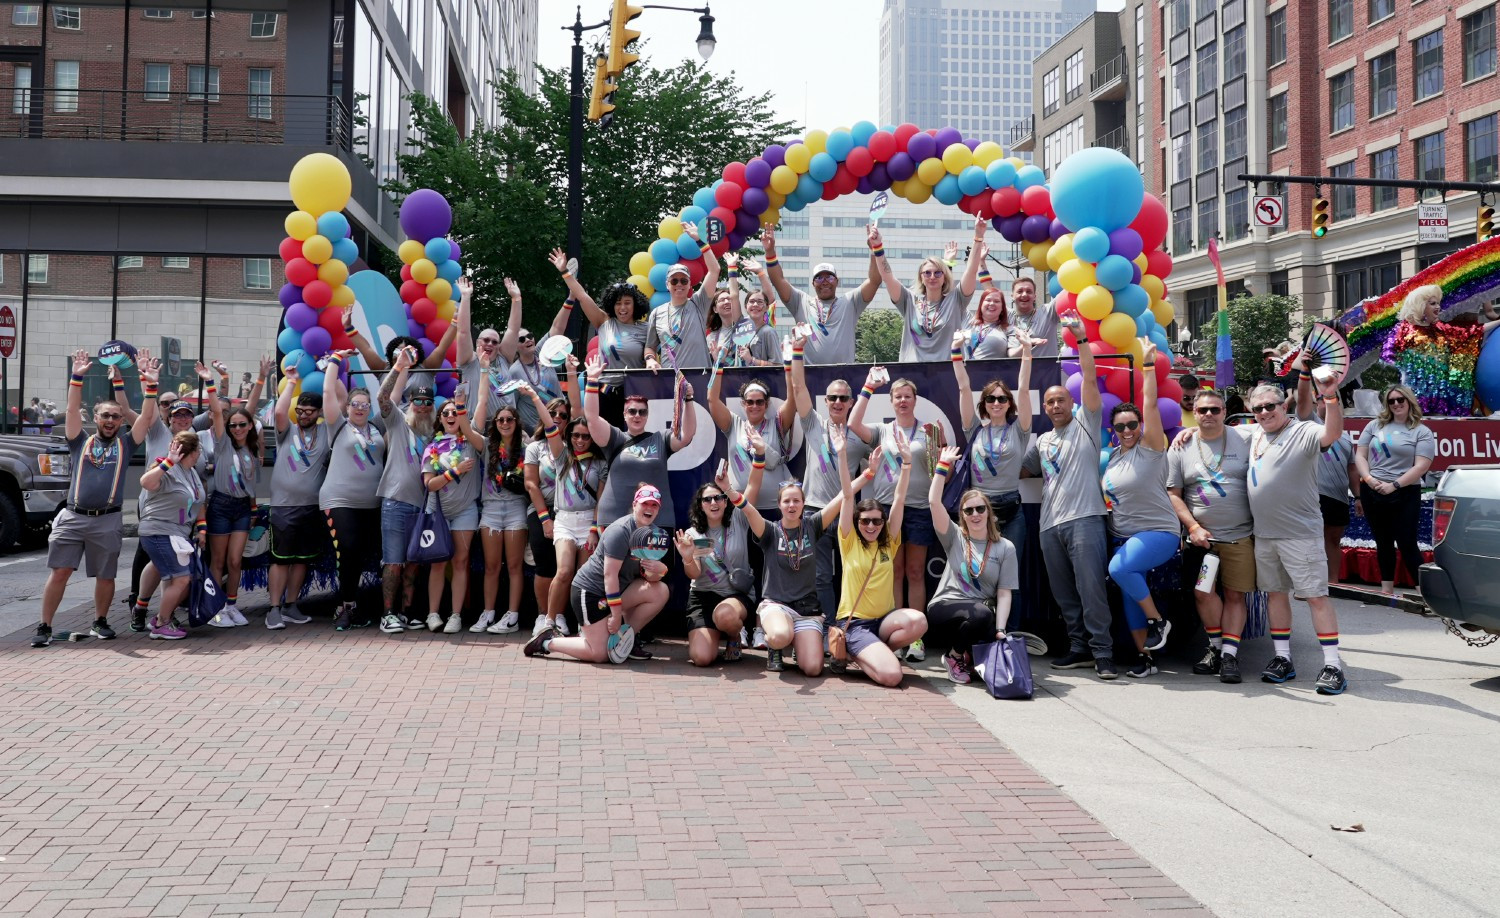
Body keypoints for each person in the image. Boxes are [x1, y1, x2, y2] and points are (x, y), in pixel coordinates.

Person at [1237, 368, 1350, 695]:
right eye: (1257, 409)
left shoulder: (1303, 431)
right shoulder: (1253, 433)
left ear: (1282, 406)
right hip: (1266, 535)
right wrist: (1189, 434)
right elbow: (1217, 431)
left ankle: (1333, 665)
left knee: (1315, 597)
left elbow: (1332, 433)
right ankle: (1283, 659)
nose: (1264, 413)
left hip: (1300, 534)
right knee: (1275, 595)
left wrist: (1330, 395)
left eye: (1270, 406)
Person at [33, 349, 156, 648]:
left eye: (116, 416)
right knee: (60, 572)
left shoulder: (126, 444)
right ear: (97, 418)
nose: (111, 420)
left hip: (108, 519)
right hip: (73, 517)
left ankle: (100, 621)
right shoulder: (80, 441)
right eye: (105, 416)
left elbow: (147, 418)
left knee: (105, 575)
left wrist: (150, 385)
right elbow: (72, 411)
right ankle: (45, 626)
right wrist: (77, 377)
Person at [1020, 323, 1116, 678]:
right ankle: (1079, 647)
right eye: (1050, 402)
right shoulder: (1043, 441)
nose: (1056, 405)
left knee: (1091, 590)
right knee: (1063, 594)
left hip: (1086, 519)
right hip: (1049, 526)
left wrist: (1083, 340)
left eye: (1061, 399)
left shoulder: (1086, 424)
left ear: (1072, 403)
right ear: (1044, 408)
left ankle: (1103, 651)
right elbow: (1024, 470)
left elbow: (1090, 379)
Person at [1099, 339, 1179, 677]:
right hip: (1124, 535)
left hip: (1157, 532)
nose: (1128, 430)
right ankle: (1145, 657)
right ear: (1113, 431)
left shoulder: (1151, 447)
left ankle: (1160, 622)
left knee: (1120, 570)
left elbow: (1150, 405)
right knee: (1131, 598)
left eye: (1133, 425)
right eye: (1121, 426)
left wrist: (1147, 367)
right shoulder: (1114, 457)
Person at [1167, 387, 1257, 684]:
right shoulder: (1181, 446)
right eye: (1202, 410)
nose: (1208, 415)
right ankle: (1215, 648)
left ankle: (1229, 654)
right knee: (1203, 594)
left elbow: (1278, 420)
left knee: (1234, 596)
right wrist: (1193, 527)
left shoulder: (1246, 438)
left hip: (1240, 538)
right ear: (1194, 412)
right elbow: (1173, 494)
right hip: (1203, 541)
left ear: (1224, 413)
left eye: (1215, 410)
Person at [848, 368, 938, 660]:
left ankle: (916, 639)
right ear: (891, 401)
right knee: (894, 572)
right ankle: (895, 635)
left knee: (915, 572)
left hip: (921, 508)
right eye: (897, 397)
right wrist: (867, 387)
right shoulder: (882, 430)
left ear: (915, 400)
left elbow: (941, 469)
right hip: (886, 509)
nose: (902, 401)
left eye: (907, 396)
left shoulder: (929, 430)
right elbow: (852, 423)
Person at [525, 484, 670, 663]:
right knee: (599, 654)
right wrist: (616, 615)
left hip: (615, 592)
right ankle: (548, 641)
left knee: (660, 590)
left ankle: (626, 640)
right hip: (590, 592)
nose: (649, 508)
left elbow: (648, 577)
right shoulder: (620, 531)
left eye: (654, 505)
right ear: (634, 505)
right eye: (645, 503)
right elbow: (610, 576)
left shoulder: (653, 534)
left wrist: (661, 570)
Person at [787, 335, 871, 629]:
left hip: (849, 514)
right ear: (825, 401)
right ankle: (826, 629)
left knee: (852, 572)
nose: (837, 402)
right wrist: (798, 350)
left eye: (842, 398)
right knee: (821, 575)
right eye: (832, 397)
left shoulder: (860, 434)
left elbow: (886, 461)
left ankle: (851, 628)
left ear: (851, 402)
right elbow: (798, 387)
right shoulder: (812, 423)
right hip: (814, 513)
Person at [831, 430, 926, 687]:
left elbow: (899, 498)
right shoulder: (848, 541)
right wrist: (842, 455)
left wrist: (907, 463)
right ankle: (857, 653)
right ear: (857, 522)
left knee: (919, 621)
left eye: (876, 520)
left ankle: (877, 650)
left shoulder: (888, 542)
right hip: (856, 624)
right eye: (865, 521)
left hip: (883, 621)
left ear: (883, 522)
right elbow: (848, 495)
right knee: (892, 676)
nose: (871, 526)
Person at [736, 470, 847, 675]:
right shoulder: (770, 531)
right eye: (786, 501)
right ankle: (775, 649)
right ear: (779, 505)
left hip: (806, 610)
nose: (792, 505)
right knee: (780, 636)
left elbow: (842, 496)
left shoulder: (812, 525)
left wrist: (868, 473)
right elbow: (749, 511)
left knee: (813, 669)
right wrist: (727, 489)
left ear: (804, 503)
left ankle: (799, 643)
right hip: (777, 606)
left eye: (796, 500)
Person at [925, 447, 1019, 684]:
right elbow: (934, 502)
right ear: (963, 516)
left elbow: (1005, 593)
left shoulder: (1005, 547)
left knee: (987, 628)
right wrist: (942, 466)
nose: (975, 514)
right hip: (945, 608)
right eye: (969, 510)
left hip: (981, 616)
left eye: (980, 508)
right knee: (981, 613)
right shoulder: (955, 537)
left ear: (989, 512)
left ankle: (968, 655)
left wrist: (1001, 630)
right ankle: (953, 657)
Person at [124, 370, 208, 629]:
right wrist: (148, 383)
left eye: (186, 414)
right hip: (157, 514)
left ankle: (157, 609)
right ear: (168, 418)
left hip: (181, 521)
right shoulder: (159, 434)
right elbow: (139, 412)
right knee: (157, 561)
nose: (182, 418)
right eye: (176, 414)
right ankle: (149, 611)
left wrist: (201, 526)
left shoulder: (193, 454)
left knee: (159, 565)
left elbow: (219, 413)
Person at [952, 331, 1033, 577]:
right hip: (978, 509)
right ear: (984, 404)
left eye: (1001, 398)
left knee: (1010, 576)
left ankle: (1010, 618)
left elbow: (1024, 389)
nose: (996, 402)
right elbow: (964, 389)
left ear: (1009, 403)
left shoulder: (1019, 430)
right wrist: (956, 351)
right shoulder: (974, 430)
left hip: (1011, 510)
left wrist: (1027, 351)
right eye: (990, 398)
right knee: (981, 574)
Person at [677, 438, 765, 666]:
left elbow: (753, 487)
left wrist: (760, 454)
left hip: (735, 595)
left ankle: (734, 634)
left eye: (719, 498)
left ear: (726, 502)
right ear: (701, 505)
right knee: (702, 658)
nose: (714, 502)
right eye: (708, 499)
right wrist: (687, 557)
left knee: (725, 615)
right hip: (703, 597)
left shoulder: (738, 519)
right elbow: (695, 575)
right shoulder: (693, 534)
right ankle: (715, 634)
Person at [474, 381, 551, 635]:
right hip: (491, 509)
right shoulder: (487, 445)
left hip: (517, 508)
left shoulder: (528, 449)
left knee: (515, 566)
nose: (505, 423)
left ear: (517, 422)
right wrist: (483, 374)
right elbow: (468, 424)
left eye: (509, 419)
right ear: (495, 423)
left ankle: (513, 616)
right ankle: (487, 613)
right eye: (500, 420)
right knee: (492, 566)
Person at [584, 353, 694, 527]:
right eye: (632, 411)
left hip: (657, 520)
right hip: (615, 519)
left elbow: (686, 435)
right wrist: (591, 380)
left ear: (648, 415)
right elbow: (591, 418)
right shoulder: (615, 438)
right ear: (624, 415)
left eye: (642, 412)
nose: (637, 415)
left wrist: (688, 399)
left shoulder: (661, 439)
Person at [204, 356, 269, 627]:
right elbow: (219, 412)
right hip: (220, 505)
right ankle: (214, 608)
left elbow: (250, 409)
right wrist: (211, 382)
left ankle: (231, 605)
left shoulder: (252, 449)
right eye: (234, 425)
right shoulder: (222, 445)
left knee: (235, 561)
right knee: (217, 561)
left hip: (242, 508)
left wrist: (262, 378)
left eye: (243, 425)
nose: (239, 428)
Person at [320, 364, 386, 631]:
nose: (360, 408)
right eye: (355, 404)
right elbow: (327, 390)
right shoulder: (338, 426)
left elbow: (390, 397)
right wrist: (334, 361)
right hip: (339, 501)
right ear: (347, 407)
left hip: (372, 503)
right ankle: (345, 606)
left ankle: (354, 606)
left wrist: (403, 366)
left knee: (359, 554)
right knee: (347, 550)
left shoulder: (377, 427)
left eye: (365, 405)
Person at [265, 361, 331, 630]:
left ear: (318, 412)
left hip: (311, 506)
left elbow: (336, 402)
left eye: (308, 411)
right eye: (300, 410)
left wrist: (331, 371)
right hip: (283, 506)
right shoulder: (287, 431)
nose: (302, 414)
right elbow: (280, 412)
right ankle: (273, 609)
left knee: (302, 560)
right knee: (281, 560)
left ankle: (292, 605)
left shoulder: (326, 433)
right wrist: (290, 381)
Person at [375, 345, 435, 633]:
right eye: (417, 402)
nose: (422, 407)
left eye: (427, 403)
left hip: (423, 507)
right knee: (394, 562)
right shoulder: (398, 422)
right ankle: (387, 614)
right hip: (396, 502)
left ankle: (407, 613)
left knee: (413, 564)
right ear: (409, 404)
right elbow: (383, 397)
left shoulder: (434, 434)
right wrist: (398, 367)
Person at [1354, 384, 1435, 595]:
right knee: (1383, 541)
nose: (1396, 404)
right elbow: (1360, 456)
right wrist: (1369, 479)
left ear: (1409, 402)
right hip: (1373, 490)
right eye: (1391, 401)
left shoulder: (1421, 431)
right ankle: (1386, 590)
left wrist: (1395, 485)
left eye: (1401, 400)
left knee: (1407, 541)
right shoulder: (1374, 426)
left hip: (1405, 492)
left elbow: (1421, 466)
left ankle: (1425, 594)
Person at [551, 248, 648, 423]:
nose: (622, 308)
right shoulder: (603, 321)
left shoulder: (646, 328)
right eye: (618, 303)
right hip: (604, 393)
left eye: (627, 303)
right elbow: (581, 295)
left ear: (636, 305)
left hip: (634, 394)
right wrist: (565, 272)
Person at [760, 224, 881, 365]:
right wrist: (770, 252)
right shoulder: (801, 302)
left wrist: (874, 250)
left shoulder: (851, 302)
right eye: (819, 278)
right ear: (813, 283)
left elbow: (874, 281)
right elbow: (778, 280)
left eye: (829, 277)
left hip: (843, 377)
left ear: (837, 281)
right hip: (809, 375)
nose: (824, 282)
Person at [870, 219, 984, 364]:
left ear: (945, 277)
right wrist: (878, 247)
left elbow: (972, 270)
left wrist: (978, 237)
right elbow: (887, 277)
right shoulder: (909, 300)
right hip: (913, 376)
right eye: (927, 273)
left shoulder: (956, 299)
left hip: (948, 373)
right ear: (921, 277)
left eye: (938, 273)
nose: (932, 277)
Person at [422, 383, 487, 633]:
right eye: (445, 413)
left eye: (455, 413)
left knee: (461, 562)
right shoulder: (432, 447)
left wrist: (482, 371)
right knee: (438, 563)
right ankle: (433, 614)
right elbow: (430, 485)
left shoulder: (471, 441)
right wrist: (455, 472)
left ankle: (456, 615)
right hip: (437, 512)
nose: (451, 416)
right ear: (440, 419)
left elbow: (480, 406)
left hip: (465, 511)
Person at [133, 431, 208, 640]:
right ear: (192, 452)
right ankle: (161, 623)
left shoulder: (191, 472)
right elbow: (146, 482)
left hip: (179, 532)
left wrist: (202, 529)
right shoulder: (166, 468)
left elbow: (198, 500)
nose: (200, 453)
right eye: (198, 450)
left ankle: (153, 613)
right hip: (160, 530)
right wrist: (168, 462)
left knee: (166, 571)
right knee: (182, 578)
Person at [1383, 285, 1500, 416]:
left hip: (1439, 396)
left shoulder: (1439, 328)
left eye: (1438, 303)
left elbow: (1469, 332)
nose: (1438, 307)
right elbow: (1389, 358)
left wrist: (1498, 321)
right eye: (1433, 304)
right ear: (1420, 305)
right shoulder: (1403, 329)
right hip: (1414, 397)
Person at [1293, 372, 1359, 584]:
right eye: (1322, 400)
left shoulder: (1345, 436)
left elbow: (1352, 469)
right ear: (1317, 403)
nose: (1327, 404)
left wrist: (1358, 496)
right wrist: (1304, 373)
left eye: (1333, 401)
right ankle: (1309, 582)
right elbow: (1301, 400)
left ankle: (1333, 582)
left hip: (1338, 496)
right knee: (1312, 539)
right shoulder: (1309, 424)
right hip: (1314, 494)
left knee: (1333, 540)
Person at [544, 416, 605, 636]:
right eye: (576, 435)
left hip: (589, 522)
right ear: (569, 436)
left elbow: (601, 499)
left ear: (592, 438)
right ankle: (548, 622)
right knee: (564, 571)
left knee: (583, 575)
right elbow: (549, 427)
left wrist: (594, 530)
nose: (580, 440)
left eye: (585, 436)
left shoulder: (599, 463)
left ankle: (584, 625)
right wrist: (532, 396)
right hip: (565, 521)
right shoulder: (562, 456)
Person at [707, 369, 796, 516]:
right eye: (750, 402)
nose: (755, 406)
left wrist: (788, 364)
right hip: (739, 507)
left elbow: (793, 398)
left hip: (774, 508)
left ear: (766, 404)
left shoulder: (777, 424)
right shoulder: (734, 424)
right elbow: (712, 399)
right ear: (743, 403)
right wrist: (719, 364)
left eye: (759, 401)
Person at [524, 396, 573, 638]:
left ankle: (559, 615)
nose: (558, 419)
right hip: (541, 510)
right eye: (553, 413)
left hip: (569, 512)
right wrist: (545, 519)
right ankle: (543, 616)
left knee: (563, 568)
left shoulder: (575, 444)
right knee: (544, 566)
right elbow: (531, 484)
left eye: (563, 415)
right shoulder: (535, 447)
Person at [493, 277, 565, 432]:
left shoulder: (543, 354)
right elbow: (513, 405)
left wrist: (571, 298)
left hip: (558, 423)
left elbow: (557, 327)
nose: (528, 340)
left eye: (530, 336)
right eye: (521, 339)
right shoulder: (514, 371)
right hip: (534, 431)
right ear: (516, 346)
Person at [644, 222, 719, 372]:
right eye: (674, 280)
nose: (679, 284)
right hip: (671, 379)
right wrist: (650, 360)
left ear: (690, 284)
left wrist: (700, 241)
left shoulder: (699, 303)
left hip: (700, 376)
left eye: (684, 280)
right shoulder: (657, 313)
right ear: (667, 285)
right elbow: (649, 347)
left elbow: (714, 269)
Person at [958, 250, 1025, 360]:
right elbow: (952, 297)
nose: (992, 303)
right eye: (988, 300)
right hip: (967, 374)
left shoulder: (1008, 326)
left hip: (995, 375)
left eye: (997, 301)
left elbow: (1012, 354)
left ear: (1003, 308)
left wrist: (1026, 345)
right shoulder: (969, 321)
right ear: (981, 304)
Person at [724, 255, 783, 367]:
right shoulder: (741, 325)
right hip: (741, 382)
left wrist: (752, 360)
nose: (755, 305)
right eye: (751, 301)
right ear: (746, 306)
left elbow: (777, 365)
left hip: (762, 383)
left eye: (760, 302)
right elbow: (734, 296)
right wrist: (731, 267)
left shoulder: (768, 332)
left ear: (766, 307)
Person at [1011, 276, 1058, 358]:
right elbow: (991, 294)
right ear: (1012, 296)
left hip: (1047, 370)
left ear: (1035, 296)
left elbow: (1068, 290)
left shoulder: (1047, 312)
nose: (1024, 294)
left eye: (1029, 291)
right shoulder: (1008, 317)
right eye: (1020, 291)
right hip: (1018, 370)